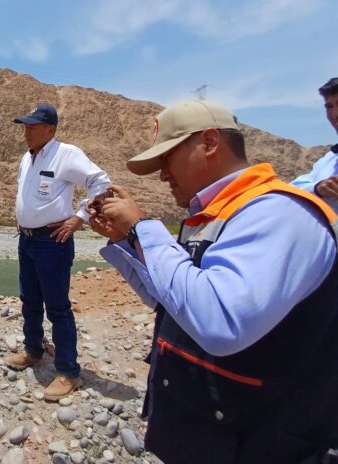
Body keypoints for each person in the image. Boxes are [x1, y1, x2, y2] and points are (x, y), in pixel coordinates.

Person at [89, 101, 338, 464]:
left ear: (208, 142)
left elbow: (219, 321)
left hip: (262, 444)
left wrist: (143, 228)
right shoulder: (215, 215)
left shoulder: (278, 214)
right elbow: (172, 302)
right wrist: (125, 241)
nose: (162, 176)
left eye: (167, 159)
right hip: (213, 435)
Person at [8, 103, 111, 401]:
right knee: (29, 300)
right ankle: (33, 350)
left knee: (57, 308)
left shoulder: (66, 154)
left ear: (50, 130)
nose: (26, 131)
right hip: (27, 240)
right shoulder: (26, 159)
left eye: (32, 126)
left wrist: (80, 217)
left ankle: (68, 372)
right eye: (24, 125)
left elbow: (100, 182)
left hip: (52, 242)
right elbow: (26, 193)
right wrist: (23, 217)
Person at [292, 77, 338, 210]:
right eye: (329, 106)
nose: (335, 114)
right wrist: (317, 189)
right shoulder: (327, 161)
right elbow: (292, 190)